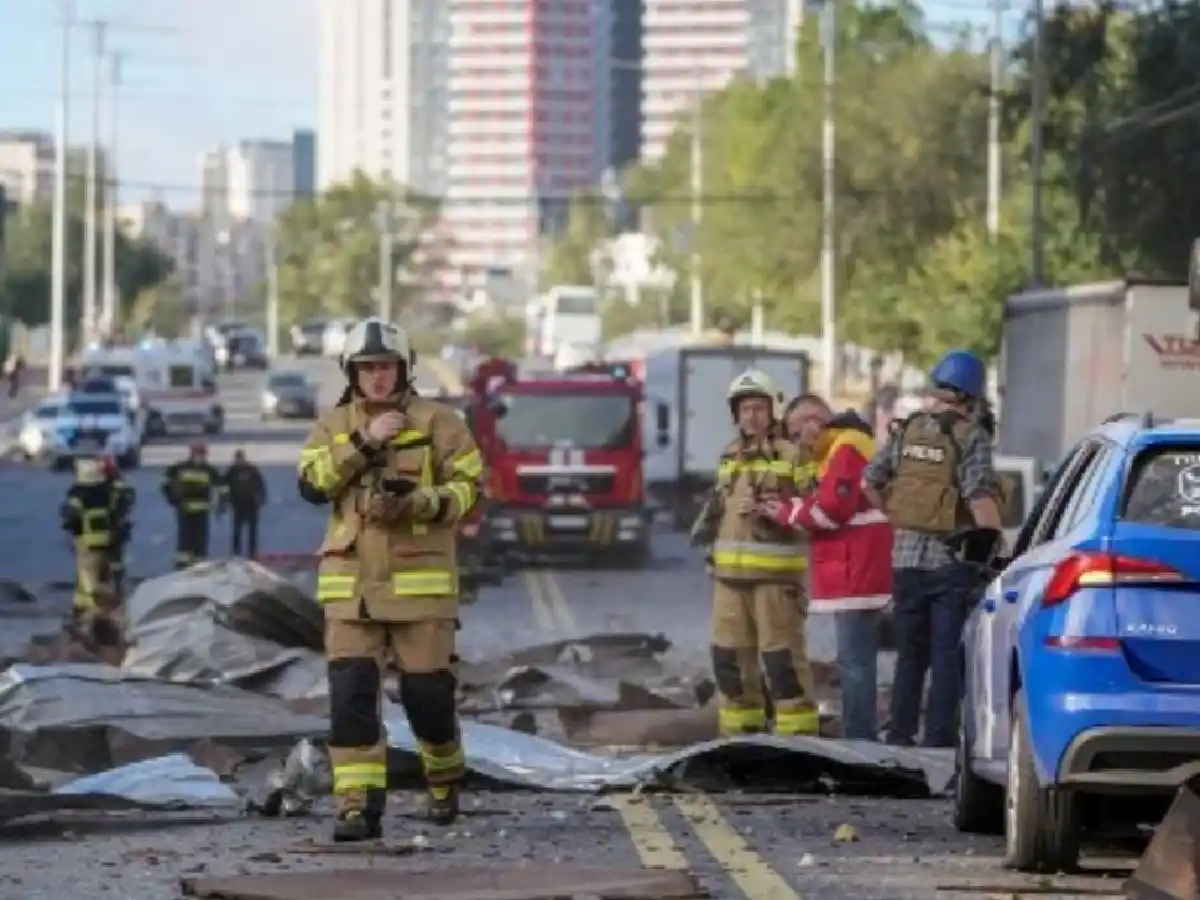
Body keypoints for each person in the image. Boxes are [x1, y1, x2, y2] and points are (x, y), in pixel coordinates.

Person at [297, 317, 483, 842]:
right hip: (351, 589)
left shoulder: (440, 422)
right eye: (366, 368)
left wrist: (420, 502)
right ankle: (357, 808)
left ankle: (444, 778)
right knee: (351, 700)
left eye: (386, 366)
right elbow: (312, 484)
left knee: (428, 700)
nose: (377, 377)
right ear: (351, 373)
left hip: (419, 586)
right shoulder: (333, 424)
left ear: (404, 370)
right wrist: (362, 441)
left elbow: (470, 489)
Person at [864, 349, 1005, 748]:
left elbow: (870, 481)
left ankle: (900, 732)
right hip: (950, 561)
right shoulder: (969, 436)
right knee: (946, 655)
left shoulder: (908, 430)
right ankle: (938, 737)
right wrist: (998, 545)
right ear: (972, 396)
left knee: (910, 654)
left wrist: (897, 516)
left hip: (905, 562)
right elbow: (979, 497)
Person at [761, 409, 893, 741]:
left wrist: (787, 512)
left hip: (856, 570)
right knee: (856, 659)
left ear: (814, 422)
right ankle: (861, 732)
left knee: (854, 662)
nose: (799, 443)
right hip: (858, 568)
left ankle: (860, 738)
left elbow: (831, 511)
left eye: (797, 434)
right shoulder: (845, 448)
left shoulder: (846, 449)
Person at [704, 369, 820, 737]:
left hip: (776, 580)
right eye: (744, 409)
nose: (751, 416)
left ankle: (798, 742)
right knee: (729, 660)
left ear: (773, 412)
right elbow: (719, 511)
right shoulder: (729, 456)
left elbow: (817, 512)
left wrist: (779, 510)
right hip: (729, 579)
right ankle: (740, 739)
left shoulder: (794, 455)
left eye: (758, 408)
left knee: (782, 662)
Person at [61, 458, 118, 622]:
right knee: (101, 573)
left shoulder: (79, 493)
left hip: (86, 540)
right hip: (105, 539)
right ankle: (94, 605)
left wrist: (68, 525)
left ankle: (91, 610)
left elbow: (70, 514)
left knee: (86, 575)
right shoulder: (105, 492)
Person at [161, 440, 227, 569]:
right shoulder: (180, 468)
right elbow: (165, 482)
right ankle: (183, 567)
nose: (201, 456)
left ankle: (199, 566)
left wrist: (222, 505)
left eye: (202, 454)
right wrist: (172, 498)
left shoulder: (209, 470)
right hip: (185, 510)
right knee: (185, 540)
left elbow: (222, 488)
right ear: (192, 454)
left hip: (201, 511)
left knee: (200, 542)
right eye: (199, 453)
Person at [99, 454, 135, 593]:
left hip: (111, 524)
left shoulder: (106, 484)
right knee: (114, 558)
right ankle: (115, 584)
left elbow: (127, 500)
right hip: (113, 524)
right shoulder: (119, 483)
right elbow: (128, 500)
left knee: (111, 557)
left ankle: (112, 584)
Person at [225, 449, 267, 557]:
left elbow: (260, 484)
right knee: (237, 530)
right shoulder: (231, 471)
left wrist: (261, 498)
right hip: (238, 504)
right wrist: (226, 500)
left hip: (251, 504)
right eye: (237, 459)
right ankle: (236, 553)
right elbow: (225, 486)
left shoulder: (251, 470)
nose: (239, 461)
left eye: (240, 458)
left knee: (252, 530)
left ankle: (252, 553)